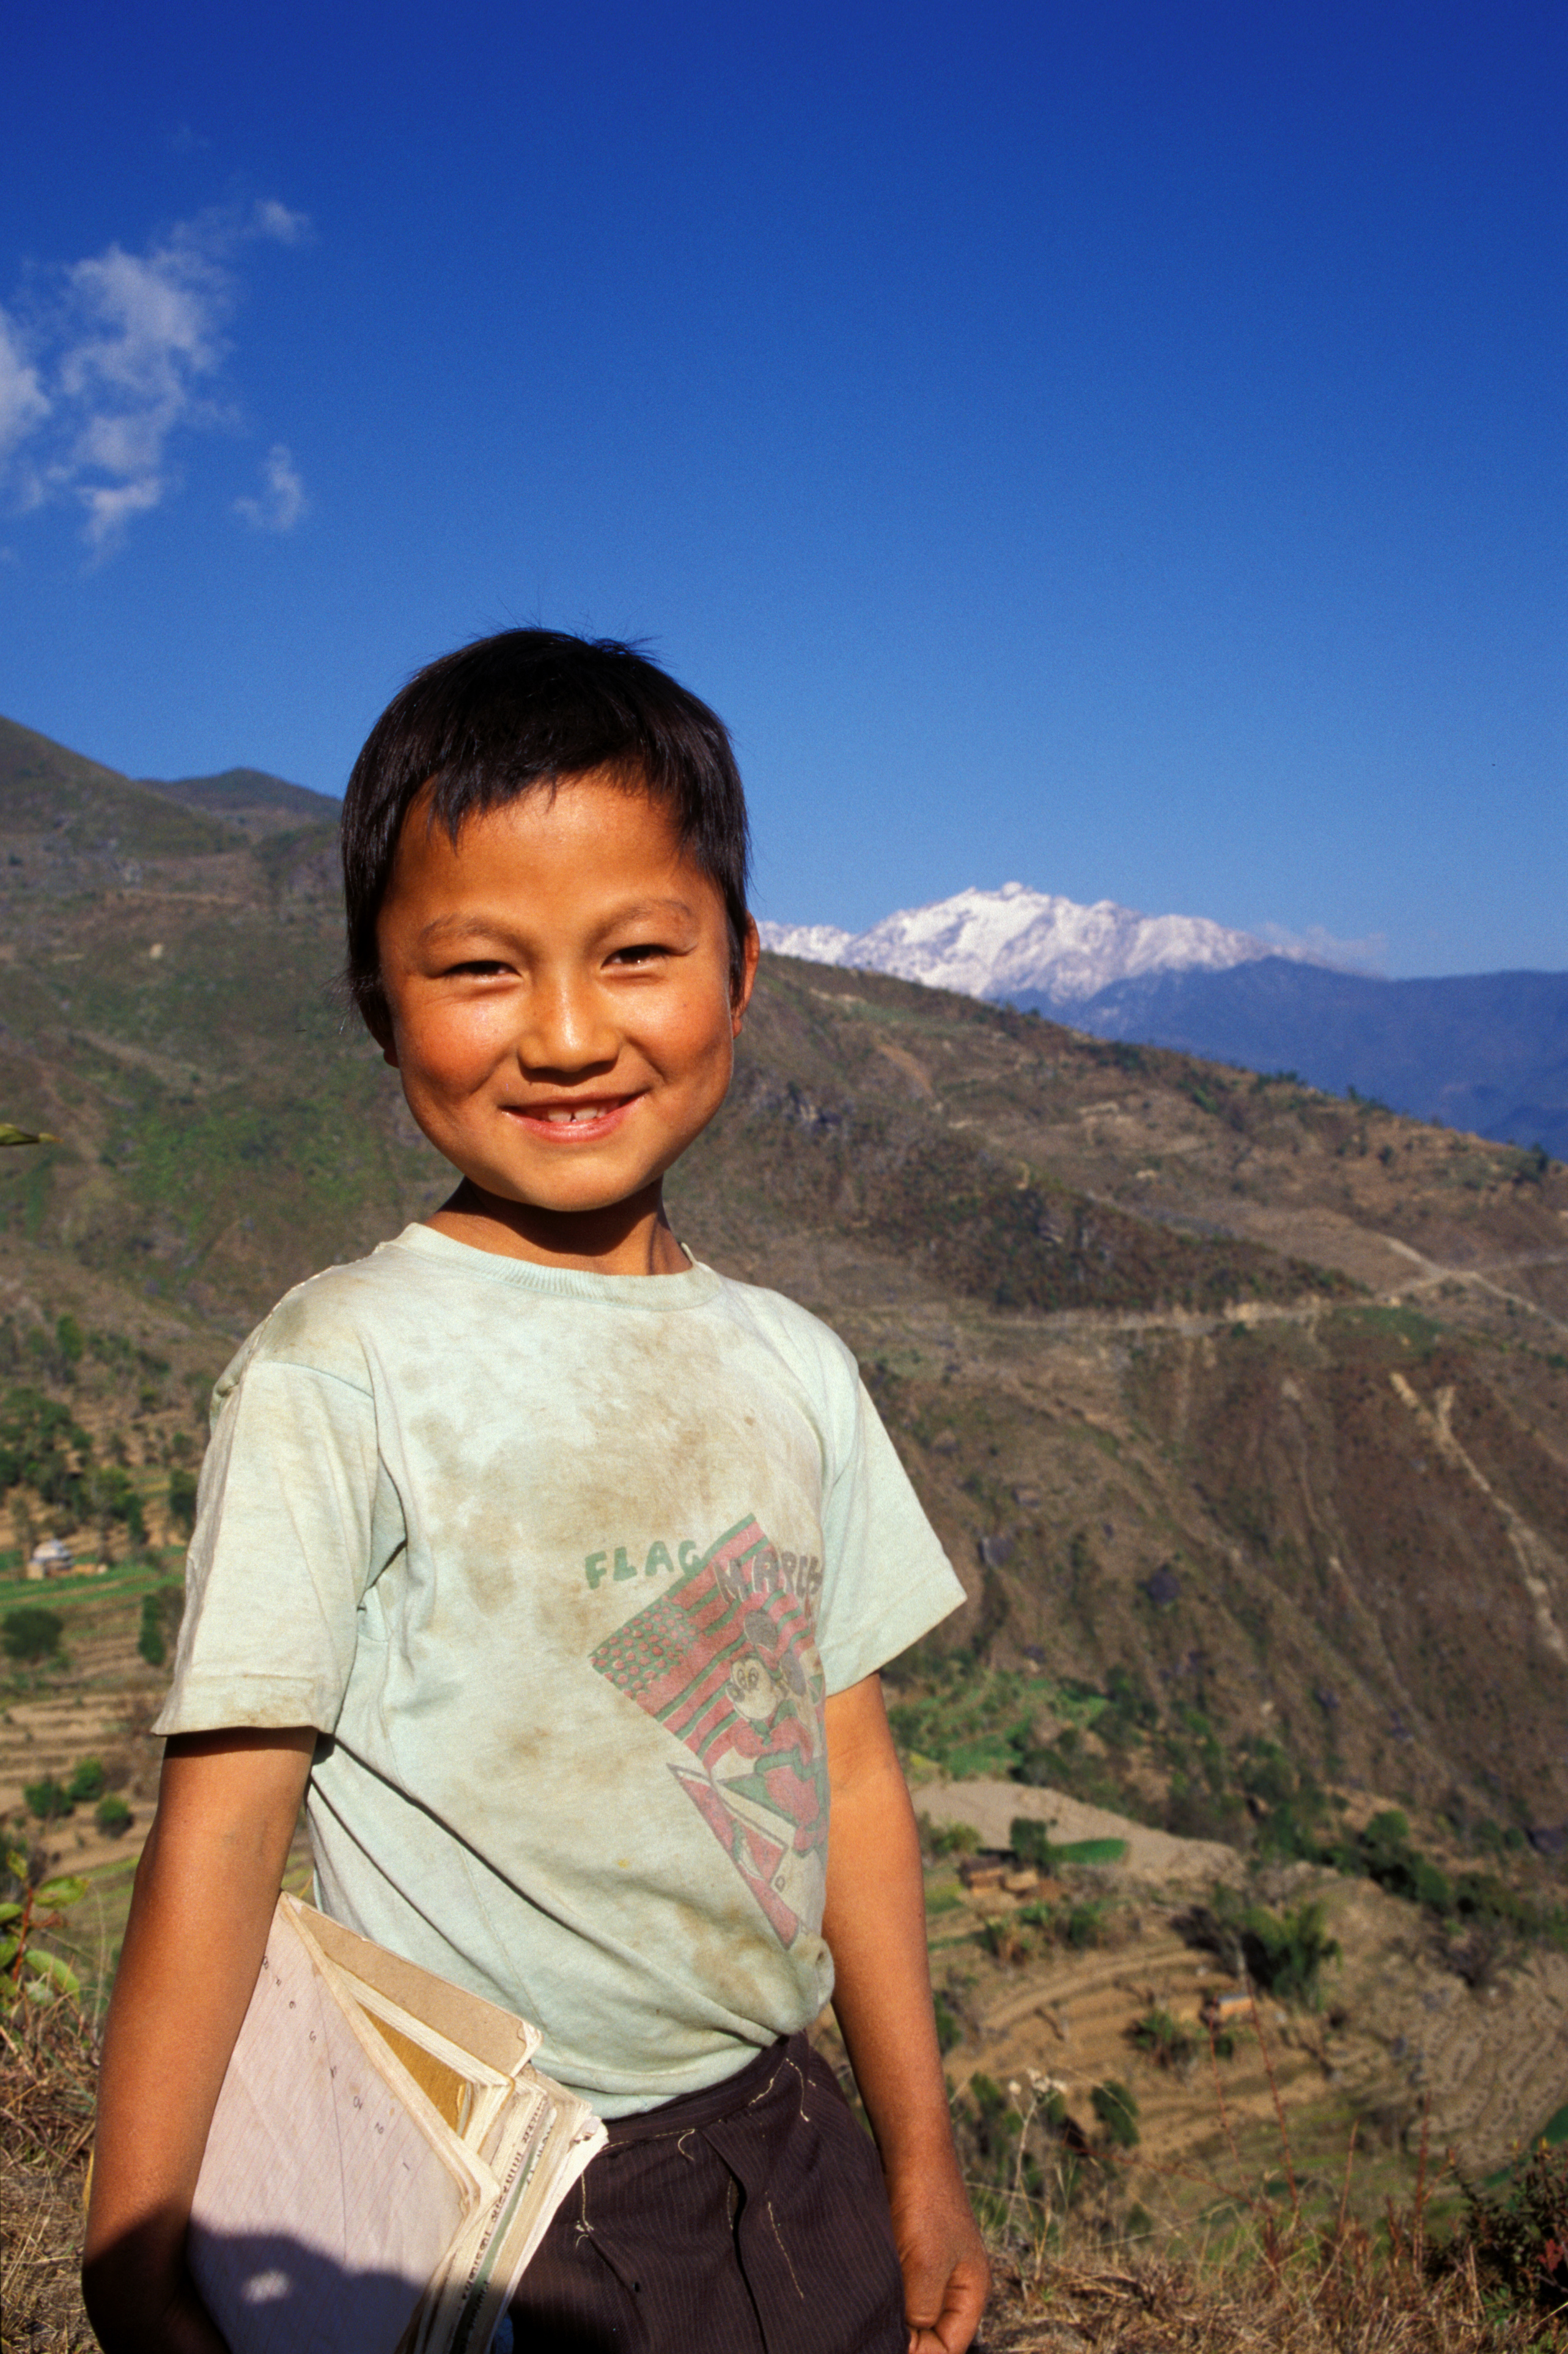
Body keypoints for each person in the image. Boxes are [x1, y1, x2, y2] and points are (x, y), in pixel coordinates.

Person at [83, 631, 989, 2354]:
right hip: (497, 2187)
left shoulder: (793, 1364)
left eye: (637, 951)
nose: (570, 1034)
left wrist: (918, 2151)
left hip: (786, 2141)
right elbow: (223, 1824)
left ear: (742, 971)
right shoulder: (340, 1369)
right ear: (379, 996)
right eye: (483, 969)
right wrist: (134, 2243)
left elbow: (849, 1775)